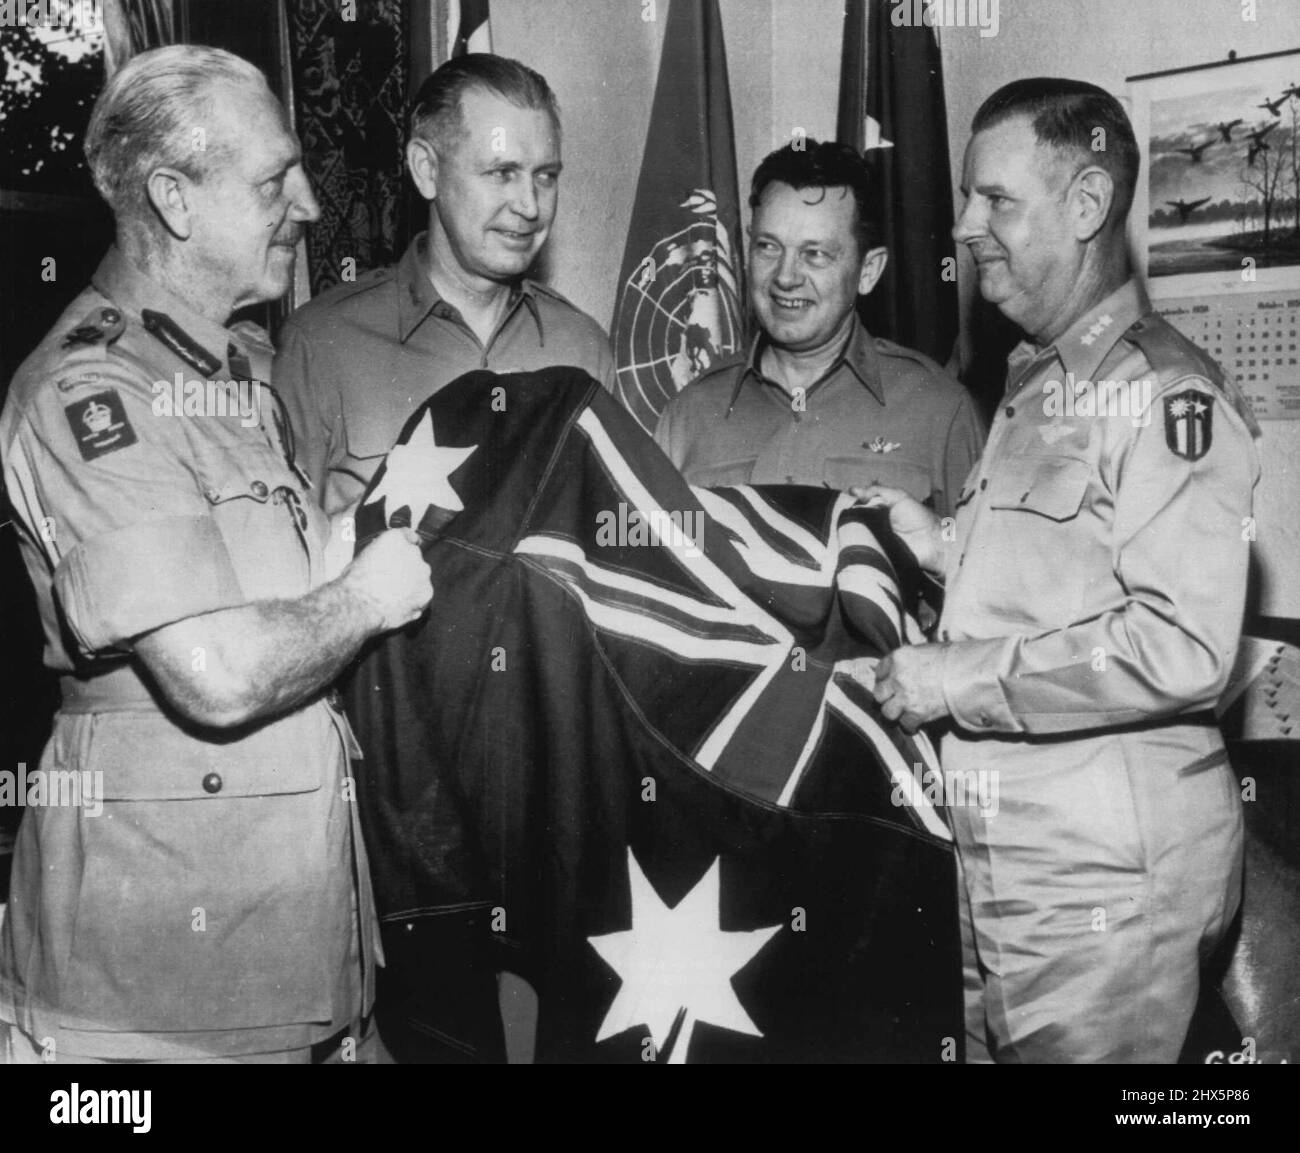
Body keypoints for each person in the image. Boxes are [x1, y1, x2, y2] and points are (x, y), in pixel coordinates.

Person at [0, 45, 433, 1063]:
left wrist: (336, 554)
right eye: (274, 178)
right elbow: (218, 676)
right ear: (175, 199)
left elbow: (262, 593)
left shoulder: (235, 368)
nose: (312, 206)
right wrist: (367, 596)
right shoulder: (89, 394)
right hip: (158, 993)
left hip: (298, 953)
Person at [856, 78, 1260, 1063]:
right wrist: (939, 542)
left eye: (993, 201)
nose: (962, 227)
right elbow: (1064, 578)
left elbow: (1180, 647)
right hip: (1012, 862)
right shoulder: (1041, 378)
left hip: (1101, 883)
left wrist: (950, 678)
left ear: (1084, 206)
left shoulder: (1166, 394)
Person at [276, 53, 616, 525]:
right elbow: (290, 559)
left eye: (546, 176)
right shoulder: (322, 344)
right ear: (427, 170)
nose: (530, 205)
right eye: (502, 173)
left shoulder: (582, 347)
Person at [654, 140, 984, 520]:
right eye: (767, 247)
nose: (786, 276)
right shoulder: (689, 416)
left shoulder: (940, 411)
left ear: (868, 271)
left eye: (815, 254)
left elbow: (973, 564)